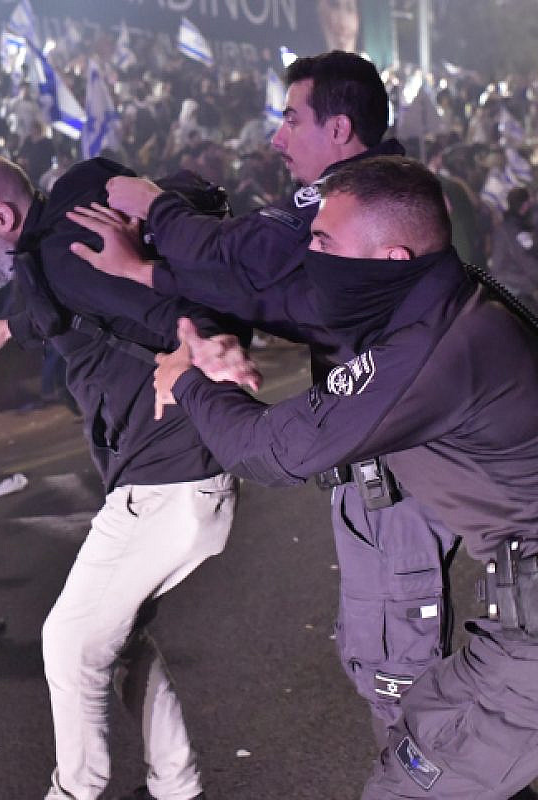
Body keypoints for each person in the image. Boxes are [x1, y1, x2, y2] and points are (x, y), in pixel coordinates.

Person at [68, 50, 455, 748]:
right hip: (391, 478)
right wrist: (148, 275)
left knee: (411, 693)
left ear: (340, 129)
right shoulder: (389, 202)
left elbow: (254, 258)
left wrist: (158, 209)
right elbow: (291, 296)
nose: (277, 139)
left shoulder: (365, 195)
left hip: (397, 481)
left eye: (290, 118)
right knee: (410, 677)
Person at [151, 155, 538, 800]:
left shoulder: (433, 348)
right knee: (433, 739)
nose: (310, 252)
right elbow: (285, 302)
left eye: (325, 241)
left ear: (391, 257)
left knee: (407, 784)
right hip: (517, 614)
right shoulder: (449, 299)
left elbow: (270, 451)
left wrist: (191, 382)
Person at [0, 154, 245, 800]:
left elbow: (163, 309)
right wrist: (9, 326)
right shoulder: (54, 248)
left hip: (167, 482)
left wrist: (203, 343)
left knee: (71, 643)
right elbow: (68, 310)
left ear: (1, 215)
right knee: (119, 637)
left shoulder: (62, 252)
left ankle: (77, 790)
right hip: (180, 480)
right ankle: (178, 784)